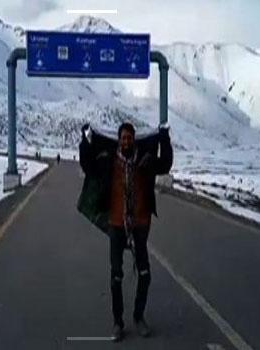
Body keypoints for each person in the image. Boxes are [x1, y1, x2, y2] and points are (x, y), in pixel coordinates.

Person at [78, 122, 173, 341]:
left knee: (145, 274)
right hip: (116, 225)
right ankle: (118, 322)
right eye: (123, 138)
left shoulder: (145, 161)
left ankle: (139, 317)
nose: (127, 141)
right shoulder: (108, 161)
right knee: (116, 276)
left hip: (140, 225)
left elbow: (165, 165)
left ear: (134, 139)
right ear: (119, 140)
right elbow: (88, 166)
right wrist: (84, 141)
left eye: (130, 138)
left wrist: (165, 139)